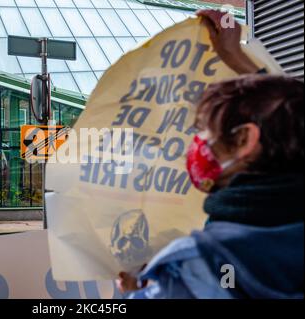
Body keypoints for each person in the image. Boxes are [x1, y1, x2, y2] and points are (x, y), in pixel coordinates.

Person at [116, 10, 304, 299]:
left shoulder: (202, 263)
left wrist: (135, 293)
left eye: (205, 131)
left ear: (245, 139)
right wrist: (234, 57)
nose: (197, 144)